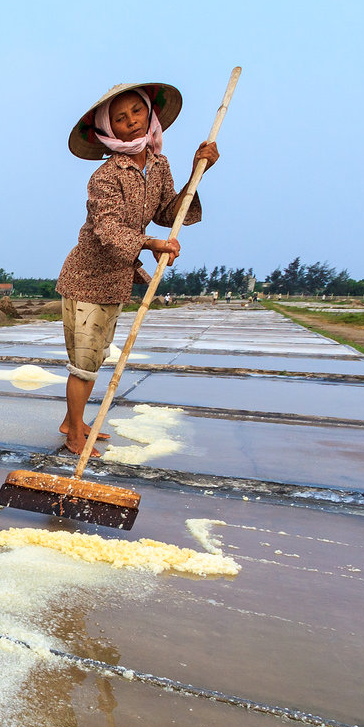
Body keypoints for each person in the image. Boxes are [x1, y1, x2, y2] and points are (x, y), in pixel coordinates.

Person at [55, 83, 219, 456]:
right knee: (83, 363)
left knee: (95, 356)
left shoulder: (159, 165)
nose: (130, 121)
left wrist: (199, 171)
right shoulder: (106, 176)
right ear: (108, 130)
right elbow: (107, 230)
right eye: (119, 118)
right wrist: (150, 244)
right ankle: (75, 437)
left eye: (136, 112)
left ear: (150, 114)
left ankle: (72, 420)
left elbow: (165, 213)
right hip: (88, 276)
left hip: (117, 280)